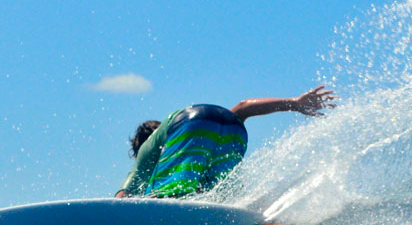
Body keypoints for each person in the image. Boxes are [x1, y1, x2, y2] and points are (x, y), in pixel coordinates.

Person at [116, 85, 335, 198]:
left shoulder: (148, 148)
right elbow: (243, 107)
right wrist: (294, 103)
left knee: (165, 194)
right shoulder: (193, 148)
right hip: (231, 128)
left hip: (188, 121)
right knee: (219, 196)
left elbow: (124, 195)